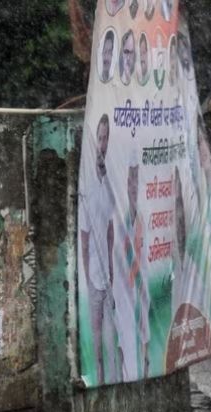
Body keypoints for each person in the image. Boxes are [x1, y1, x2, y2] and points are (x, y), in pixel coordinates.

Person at [79, 114, 117, 384]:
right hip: (93, 274)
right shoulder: (88, 187)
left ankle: (110, 379)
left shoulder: (108, 186)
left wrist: (112, 268)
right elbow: (84, 239)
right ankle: (98, 379)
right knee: (96, 334)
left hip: (107, 276)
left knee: (110, 334)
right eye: (99, 138)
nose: (102, 144)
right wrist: (88, 276)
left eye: (106, 138)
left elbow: (110, 229)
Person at [114, 161, 152, 379]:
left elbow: (141, 254)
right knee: (123, 336)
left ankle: (145, 372)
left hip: (139, 286)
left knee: (144, 333)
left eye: (137, 182)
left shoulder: (141, 218)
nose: (134, 187)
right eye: (131, 181)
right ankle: (125, 375)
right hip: (124, 288)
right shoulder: (121, 218)